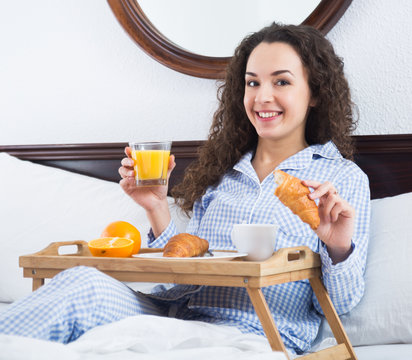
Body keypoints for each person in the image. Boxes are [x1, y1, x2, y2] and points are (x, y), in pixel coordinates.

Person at [0, 22, 370, 355]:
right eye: (252, 82)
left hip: (255, 333)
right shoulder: (224, 174)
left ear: (316, 93)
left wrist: (338, 246)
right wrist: (156, 207)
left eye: (282, 81)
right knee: (81, 281)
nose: (262, 97)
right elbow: (181, 279)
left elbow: (342, 304)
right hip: (176, 317)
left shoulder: (341, 179)